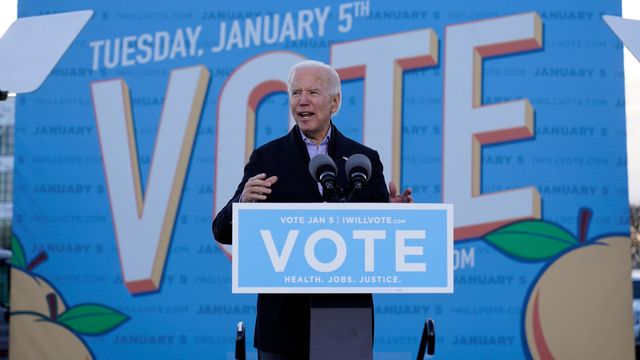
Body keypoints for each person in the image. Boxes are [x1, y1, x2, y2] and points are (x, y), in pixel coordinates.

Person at [212, 60, 412, 359]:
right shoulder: (268, 158)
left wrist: (390, 216)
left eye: (313, 92)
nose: (302, 101)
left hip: (345, 321)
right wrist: (242, 204)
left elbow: (379, 245)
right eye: (295, 93)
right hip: (283, 322)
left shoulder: (363, 159)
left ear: (335, 102)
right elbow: (222, 231)